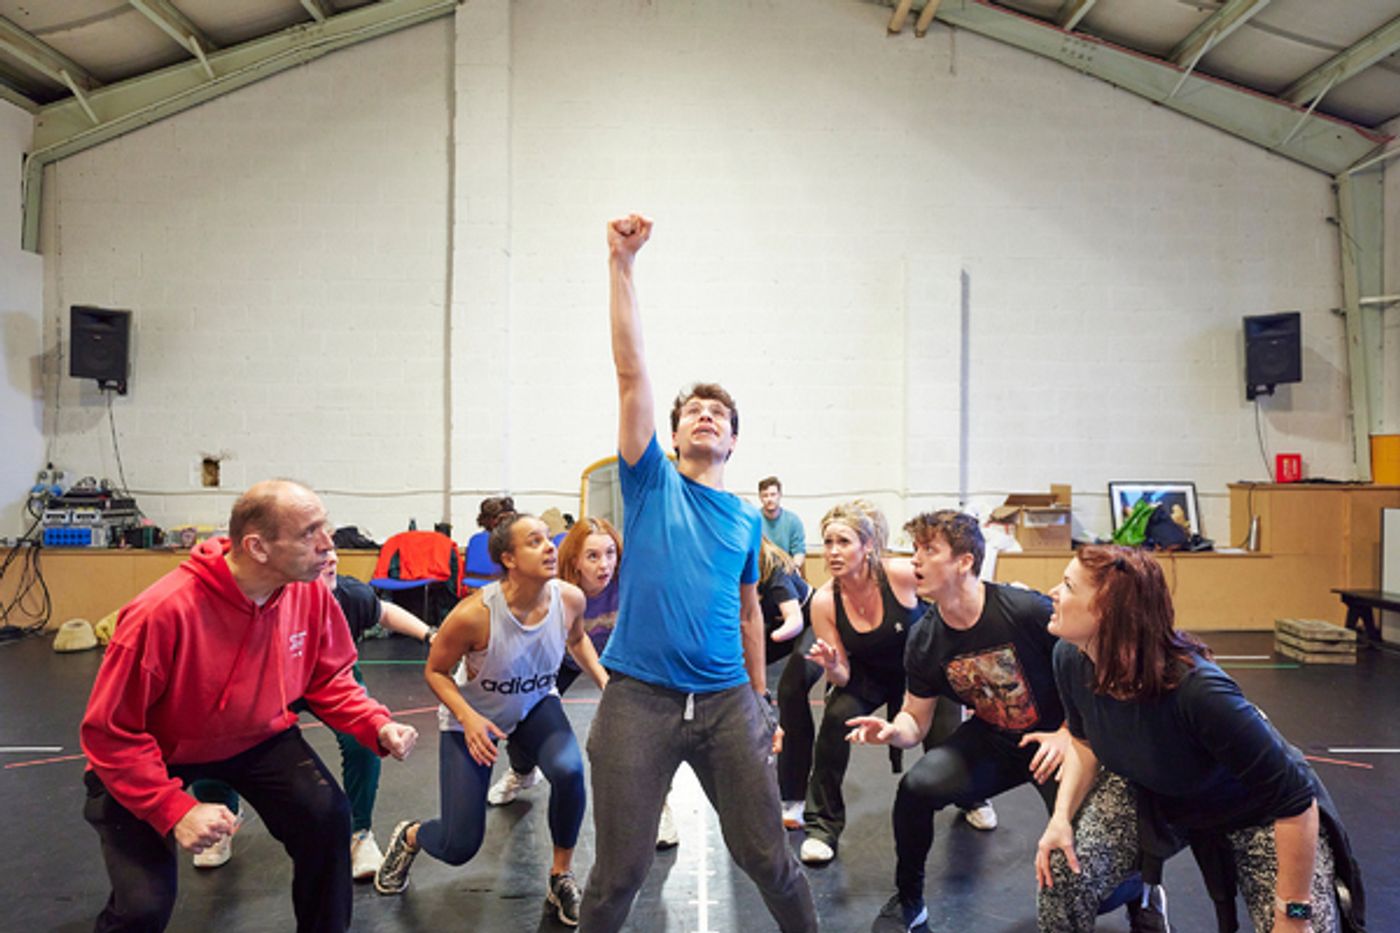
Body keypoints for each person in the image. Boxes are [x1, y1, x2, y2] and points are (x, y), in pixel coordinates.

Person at [577, 214, 817, 933]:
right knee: (618, 874)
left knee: (770, 860)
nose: (706, 416)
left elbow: (748, 613)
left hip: (727, 704)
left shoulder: (746, 520)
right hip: (638, 700)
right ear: (674, 433)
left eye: (719, 414)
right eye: (693, 412)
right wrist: (622, 264)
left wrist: (760, 698)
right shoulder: (650, 481)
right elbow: (631, 373)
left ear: (733, 441)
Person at [79, 480, 419, 933]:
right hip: (155, 755)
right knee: (143, 908)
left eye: (326, 527)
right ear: (257, 547)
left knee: (327, 819)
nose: (328, 544)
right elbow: (110, 734)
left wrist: (374, 723)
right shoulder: (160, 614)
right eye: (309, 533)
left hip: (259, 737)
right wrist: (174, 809)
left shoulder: (308, 591)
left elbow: (330, 677)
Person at [1035, 545, 1362, 933]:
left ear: (1108, 611)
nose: (1053, 592)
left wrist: (1292, 912)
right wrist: (1060, 819)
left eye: (1068, 586)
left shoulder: (1200, 692)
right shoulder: (1070, 658)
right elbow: (1084, 742)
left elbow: (1295, 800)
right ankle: (1141, 891)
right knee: (1061, 871)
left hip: (1254, 814)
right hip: (1159, 794)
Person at [373, 513, 608, 927]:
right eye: (534, 541)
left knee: (570, 771)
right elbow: (435, 671)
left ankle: (561, 876)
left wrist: (606, 682)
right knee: (459, 844)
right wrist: (468, 717)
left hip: (535, 704)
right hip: (474, 716)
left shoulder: (570, 599)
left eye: (548, 539)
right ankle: (410, 835)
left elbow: (577, 639)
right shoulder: (473, 615)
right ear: (509, 559)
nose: (549, 547)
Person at [846, 510, 1069, 933]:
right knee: (916, 788)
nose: (915, 560)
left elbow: (1090, 669)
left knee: (1093, 866)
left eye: (929, 550)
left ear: (965, 561)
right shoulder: (925, 638)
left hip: (1056, 740)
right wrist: (895, 731)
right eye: (915, 549)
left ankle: (1144, 895)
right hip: (996, 739)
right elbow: (916, 718)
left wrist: (1068, 732)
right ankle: (909, 902)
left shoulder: (1024, 610)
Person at [187, 548, 436, 880]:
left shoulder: (349, 595)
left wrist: (430, 634)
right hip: (271, 682)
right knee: (218, 741)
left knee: (364, 740)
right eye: (316, 549)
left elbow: (384, 612)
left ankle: (360, 833)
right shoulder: (256, 601)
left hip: (328, 678)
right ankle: (223, 820)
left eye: (331, 548)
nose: (331, 557)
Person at [775, 500, 923, 864]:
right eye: (828, 542)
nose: (833, 551)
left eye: (843, 542)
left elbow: (952, 587)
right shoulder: (825, 600)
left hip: (920, 670)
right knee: (836, 718)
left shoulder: (900, 574)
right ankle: (821, 827)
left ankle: (973, 799)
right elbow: (842, 675)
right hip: (868, 674)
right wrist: (831, 664)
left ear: (867, 545)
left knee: (946, 734)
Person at [759, 536, 812, 664]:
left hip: (809, 617)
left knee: (799, 662)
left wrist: (775, 635)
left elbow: (794, 619)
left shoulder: (774, 566)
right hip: (777, 620)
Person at [759, 476, 807, 572]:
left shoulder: (793, 521)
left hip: (787, 569)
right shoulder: (754, 521)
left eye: (773, 495)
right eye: (765, 495)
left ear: (780, 495)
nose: (769, 499)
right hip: (761, 570)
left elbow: (799, 551)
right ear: (760, 498)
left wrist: (795, 568)